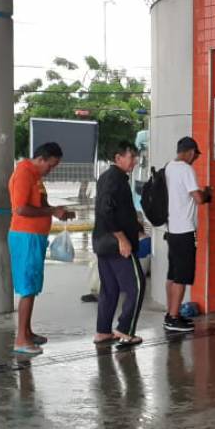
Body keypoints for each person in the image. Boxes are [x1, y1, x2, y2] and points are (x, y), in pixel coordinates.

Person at [8, 142, 72, 357]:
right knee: (27, 288)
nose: (51, 170)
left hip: (35, 236)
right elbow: (21, 208)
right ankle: (21, 340)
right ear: (41, 158)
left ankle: (27, 331)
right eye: (51, 165)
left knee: (33, 286)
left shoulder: (36, 177)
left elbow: (40, 205)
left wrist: (56, 212)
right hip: (25, 237)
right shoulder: (25, 173)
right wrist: (52, 210)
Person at [93, 141, 146, 347]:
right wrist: (122, 238)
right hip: (116, 244)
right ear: (118, 158)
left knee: (110, 288)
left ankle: (103, 331)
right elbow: (106, 210)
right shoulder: (115, 178)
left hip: (103, 242)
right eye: (131, 157)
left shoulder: (109, 177)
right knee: (138, 286)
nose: (134, 161)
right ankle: (126, 329)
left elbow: (113, 209)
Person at [164, 136, 210, 332]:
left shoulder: (169, 167)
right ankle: (174, 318)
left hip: (171, 229)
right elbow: (198, 199)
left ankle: (170, 313)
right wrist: (208, 193)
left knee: (172, 274)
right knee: (182, 277)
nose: (195, 159)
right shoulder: (186, 169)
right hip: (184, 230)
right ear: (191, 152)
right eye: (195, 156)